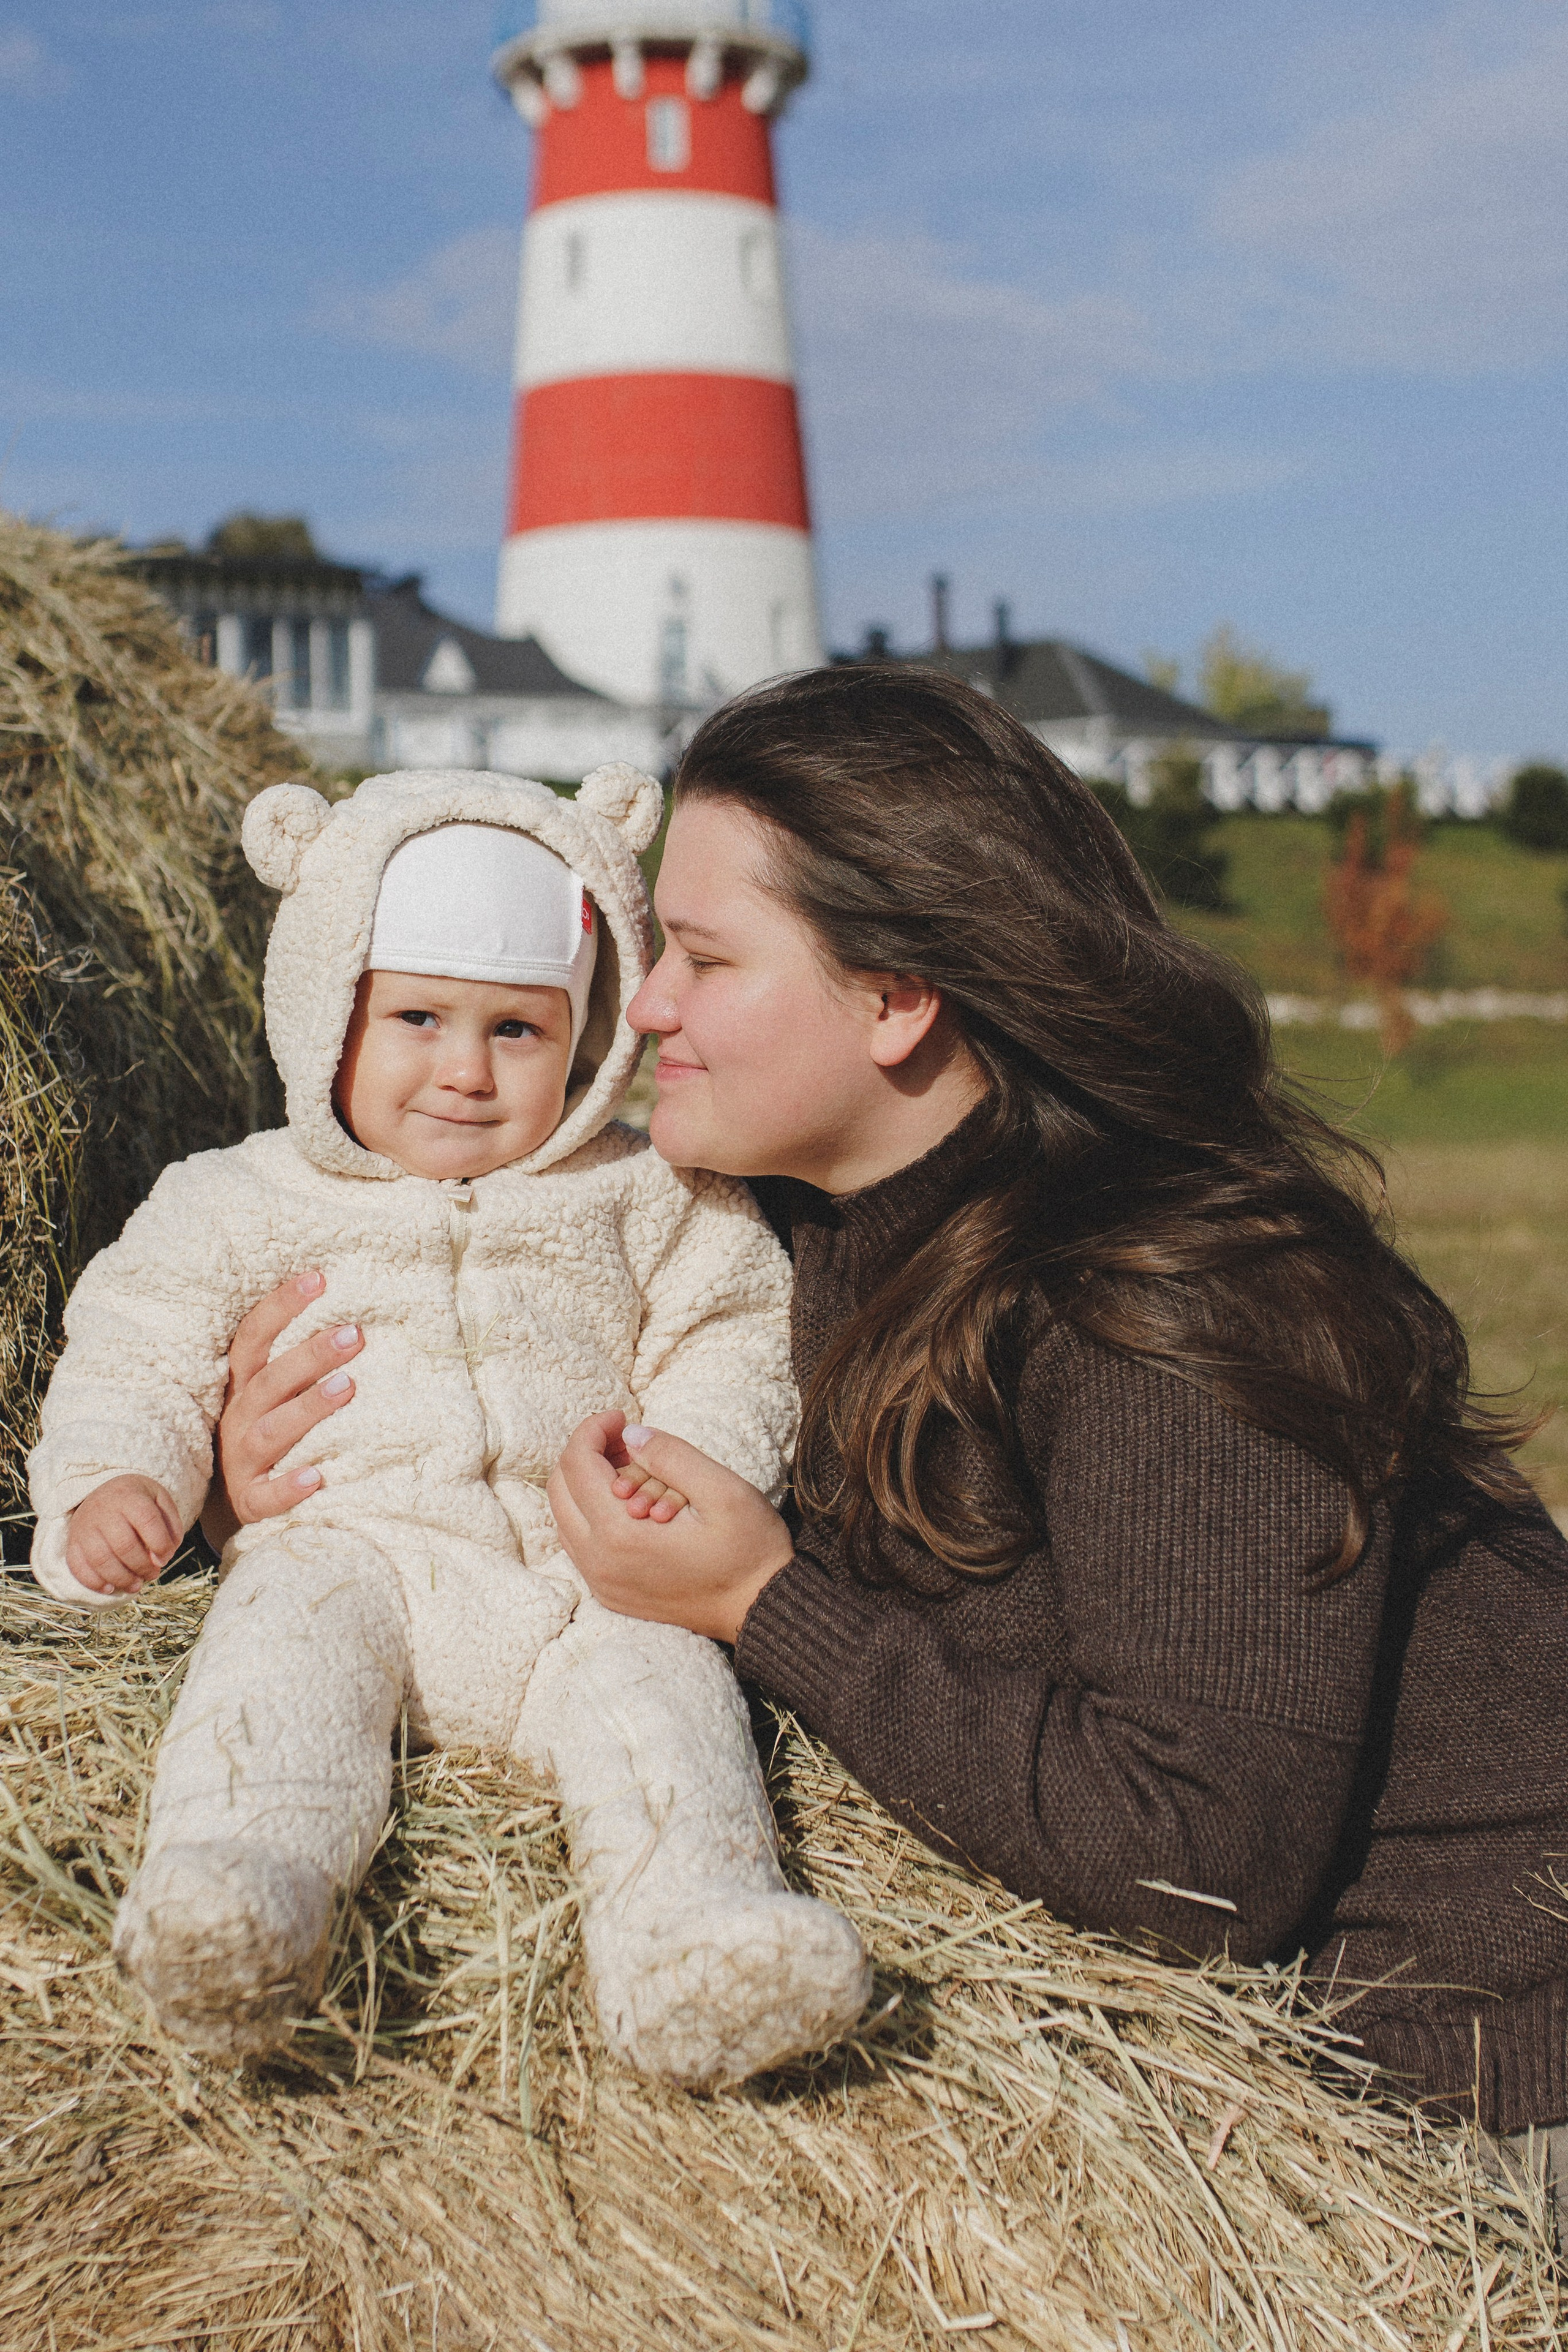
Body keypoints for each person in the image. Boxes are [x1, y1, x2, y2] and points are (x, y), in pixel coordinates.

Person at [208, 671, 1568, 2203]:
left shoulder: (1171, 1302)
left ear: (897, 998)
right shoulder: (792, 1236)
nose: (641, 1002)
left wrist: (764, 1604)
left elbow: (1193, 1863)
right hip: (1314, 2088)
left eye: (706, 959)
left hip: (1487, 2102)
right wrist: (293, 1474)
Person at [28, 760, 869, 2086]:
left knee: (662, 1699)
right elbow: (143, 1341)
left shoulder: (647, 1196)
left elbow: (735, 1327)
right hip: (363, 1559)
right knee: (278, 1654)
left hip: (582, 1578)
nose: (464, 1072)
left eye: (518, 1031)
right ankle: (245, 1896)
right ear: (327, 1017)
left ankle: (691, 1941)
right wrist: (119, 1480)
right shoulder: (243, 1197)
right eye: (415, 1016)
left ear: (588, 1042)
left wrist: (688, 1461)